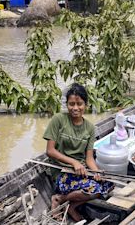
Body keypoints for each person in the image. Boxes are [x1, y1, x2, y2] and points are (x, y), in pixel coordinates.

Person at [43, 83, 114, 221]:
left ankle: (71, 206)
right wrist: (74, 162)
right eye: (71, 104)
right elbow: (50, 151)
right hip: (62, 173)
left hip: (81, 172)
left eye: (79, 104)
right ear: (67, 104)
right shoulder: (58, 120)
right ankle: (59, 199)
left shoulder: (90, 128)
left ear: (86, 105)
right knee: (94, 189)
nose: (75, 108)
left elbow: (89, 159)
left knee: (107, 185)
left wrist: (96, 172)